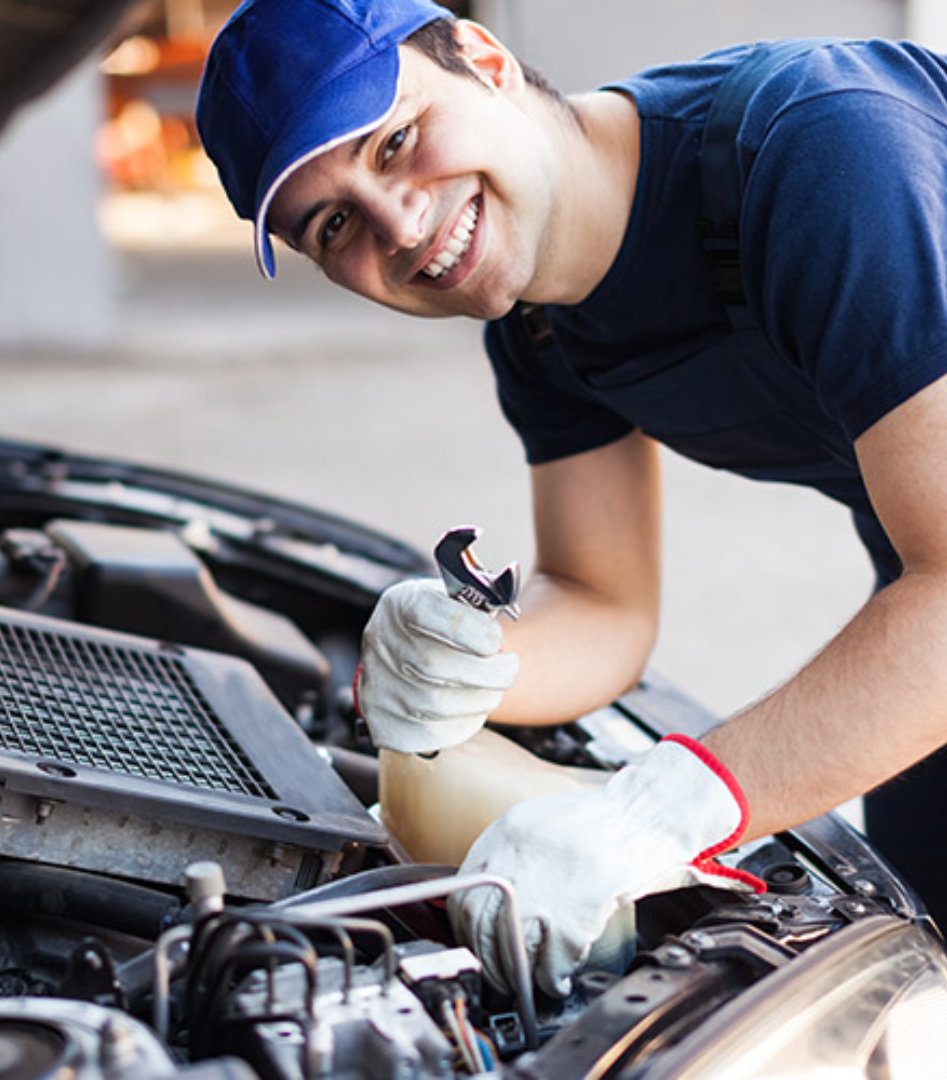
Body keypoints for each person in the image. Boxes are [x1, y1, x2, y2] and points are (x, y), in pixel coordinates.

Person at [196, 0, 947, 997]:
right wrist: (470, 662)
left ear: (484, 58)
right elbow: (604, 600)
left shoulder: (818, 153)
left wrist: (656, 813)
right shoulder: (541, 330)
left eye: (395, 142)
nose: (402, 227)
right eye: (334, 225)